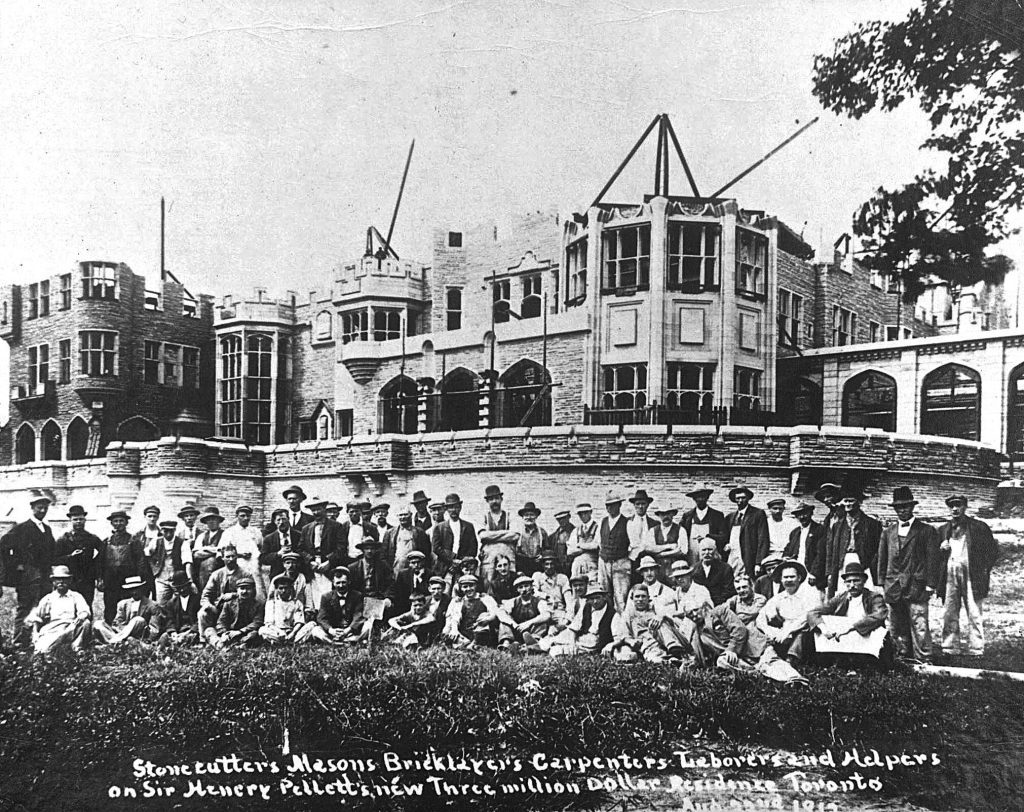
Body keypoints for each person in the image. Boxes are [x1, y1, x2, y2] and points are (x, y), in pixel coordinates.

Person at [877, 486, 939, 663]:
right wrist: (882, 582)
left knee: (919, 622)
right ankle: (902, 656)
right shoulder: (888, 532)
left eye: (905, 506)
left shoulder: (926, 531)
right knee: (897, 623)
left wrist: (930, 585)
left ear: (912, 507)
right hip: (894, 585)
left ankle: (924, 658)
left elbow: (933, 560)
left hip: (916, 585)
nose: (902, 510)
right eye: (898, 507)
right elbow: (882, 559)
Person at [937, 495, 999, 657]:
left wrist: (983, 570)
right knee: (949, 611)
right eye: (951, 506)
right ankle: (950, 647)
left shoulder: (978, 527)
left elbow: (992, 551)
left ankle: (976, 648)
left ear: (965, 507)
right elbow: (934, 556)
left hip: (972, 575)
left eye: (958, 505)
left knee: (974, 612)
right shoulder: (943, 530)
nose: (955, 509)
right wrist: (941, 549)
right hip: (950, 575)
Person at [808, 561, 889, 669]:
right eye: (848, 582)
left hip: (865, 633)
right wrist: (824, 629)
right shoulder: (841, 597)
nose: (852, 585)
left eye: (856, 581)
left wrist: (851, 628)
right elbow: (813, 613)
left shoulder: (874, 597)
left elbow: (879, 615)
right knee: (816, 629)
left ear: (864, 581)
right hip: (845, 637)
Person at [1, 491, 57, 648]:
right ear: (32, 508)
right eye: (39, 508)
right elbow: (4, 544)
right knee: (25, 608)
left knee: (42, 607)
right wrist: (17, 565)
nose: (42, 511)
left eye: (45, 508)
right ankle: (20, 641)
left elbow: (52, 552)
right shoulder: (22, 528)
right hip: (27, 576)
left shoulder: (46, 529)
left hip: (45, 575)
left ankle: (39, 639)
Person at [824, 486, 882, 598]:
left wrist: (872, 565)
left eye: (851, 501)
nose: (847, 504)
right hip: (842, 562)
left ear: (859, 502)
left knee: (866, 593)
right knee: (843, 594)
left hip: (864, 563)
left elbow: (879, 549)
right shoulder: (837, 525)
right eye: (845, 501)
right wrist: (829, 572)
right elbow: (830, 550)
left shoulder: (872, 524)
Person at [755, 561, 817, 666]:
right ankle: (768, 658)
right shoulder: (778, 598)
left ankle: (791, 660)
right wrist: (770, 631)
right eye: (785, 577)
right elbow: (761, 617)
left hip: (803, 636)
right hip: (782, 636)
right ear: (781, 579)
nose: (788, 580)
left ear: (799, 578)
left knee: (803, 632)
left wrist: (788, 631)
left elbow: (807, 617)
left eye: (792, 577)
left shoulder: (809, 595)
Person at [24, 565, 92, 655]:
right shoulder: (48, 598)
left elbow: (85, 611)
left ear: (70, 580)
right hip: (53, 630)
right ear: (53, 582)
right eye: (58, 579)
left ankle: (76, 648)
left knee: (85, 623)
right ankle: (53, 646)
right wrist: (35, 633)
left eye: (64, 579)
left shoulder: (75, 596)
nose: (61, 582)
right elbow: (36, 617)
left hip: (70, 628)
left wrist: (82, 616)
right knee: (43, 650)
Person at [652, 561, 713, 661]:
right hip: (684, 630)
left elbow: (695, 612)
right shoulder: (677, 592)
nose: (680, 579)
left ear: (689, 575)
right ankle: (675, 648)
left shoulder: (700, 590)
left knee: (689, 620)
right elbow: (660, 603)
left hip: (701, 629)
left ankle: (687, 654)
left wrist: (670, 614)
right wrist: (662, 615)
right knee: (660, 622)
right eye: (677, 577)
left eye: (683, 576)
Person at [97, 510, 148, 625]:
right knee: (110, 605)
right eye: (115, 521)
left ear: (126, 523)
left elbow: (140, 560)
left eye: (121, 521)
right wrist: (100, 578)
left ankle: (128, 629)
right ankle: (109, 629)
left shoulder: (133, 541)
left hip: (128, 580)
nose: (118, 523)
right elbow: (100, 562)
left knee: (128, 605)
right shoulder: (106, 541)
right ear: (112, 523)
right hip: (111, 580)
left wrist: (139, 578)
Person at [302, 498, 349, 608]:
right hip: (313, 566)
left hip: (330, 566)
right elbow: (300, 549)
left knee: (330, 593)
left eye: (318, 509)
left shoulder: (336, 526)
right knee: (314, 594)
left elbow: (341, 547)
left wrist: (329, 561)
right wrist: (310, 561)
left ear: (324, 509)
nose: (316, 513)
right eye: (313, 510)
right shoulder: (306, 528)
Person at [54, 505, 102, 609]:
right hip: (69, 579)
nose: (78, 522)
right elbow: (54, 559)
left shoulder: (91, 538)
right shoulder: (63, 539)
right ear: (70, 520)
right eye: (75, 519)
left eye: (81, 519)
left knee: (86, 605)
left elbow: (103, 552)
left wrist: (93, 564)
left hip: (87, 578)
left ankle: (86, 625)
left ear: (85, 520)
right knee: (69, 606)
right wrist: (71, 556)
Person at [607, 583, 667, 663]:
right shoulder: (628, 614)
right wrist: (630, 641)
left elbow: (666, 617)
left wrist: (660, 617)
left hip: (659, 640)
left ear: (648, 598)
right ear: (632, 598)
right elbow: (624, 634)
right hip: (642, 643)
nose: (640, 599)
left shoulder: (654, 610)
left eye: (643, 596)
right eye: (637, 596)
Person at [94, 575, 161, 645]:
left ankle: (114, 642)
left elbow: (154, 629)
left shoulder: (152, 605)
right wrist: (122, 629)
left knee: (138, 620)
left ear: (142, 589)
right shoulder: (123, 604)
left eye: (137, 589)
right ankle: (122, 642)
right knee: (98, 624)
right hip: (123, 633)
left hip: (141, 634)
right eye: (132, 589)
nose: (134, 592)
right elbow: (117, 623)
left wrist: (148, 640)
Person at [477, 485, 519, 589]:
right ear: (487, 501)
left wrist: (490, 536)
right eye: (491, 499)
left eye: (496, 498)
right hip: (489, 558)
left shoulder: (510, 515)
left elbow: (515, 536)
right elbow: (482, 536)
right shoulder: (483, 516)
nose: (494, 501)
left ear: (501, 499)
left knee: (511, 583)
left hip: (508, 555)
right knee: (488, 584)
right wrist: (505, 534)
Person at [442, 574, 501, 648]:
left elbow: (495, 612)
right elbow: (454, 618)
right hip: (465, 630)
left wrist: (487, 618)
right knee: (447, 633)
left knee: (484, 616)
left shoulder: (485, 598)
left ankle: (472, 644)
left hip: (482, 629)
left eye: (471, 585)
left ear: (476, 586)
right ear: (461, 588)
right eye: (465, 587)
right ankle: (468, 644)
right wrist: (454, 630)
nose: (468, 589)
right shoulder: (458, 601)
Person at [724, 486, 769, 580]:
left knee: (748, 582)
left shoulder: (757, 514)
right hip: (733, 556)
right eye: (738, 498)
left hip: (749, 557)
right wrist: (727, 545)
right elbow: (726, 536)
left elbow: (763, 539)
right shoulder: (730, 517)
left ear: (748, 498)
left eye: (743, 498)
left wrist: (758, 562)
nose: (740, 501)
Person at [199, 543, 245, 636]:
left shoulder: (245, 574)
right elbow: (206, 594)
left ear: (237, 557)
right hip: (218, 608)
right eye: (228, 557)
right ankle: (203, 639)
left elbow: (251, 593)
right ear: (222, 558)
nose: (231, 559)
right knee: (202, 613)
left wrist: (233, 595)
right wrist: (208, 605)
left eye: (233, 556)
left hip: (237, 609)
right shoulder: (216, 574)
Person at [310, 567, 364, 645]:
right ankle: (333, 642)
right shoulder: (326, 597)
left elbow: (358, 616)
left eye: (343, 582)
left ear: (349, 582)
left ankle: (351, 639)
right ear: (333, 583)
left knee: (368, 626)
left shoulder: (357, 595)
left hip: (351, 630)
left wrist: (348, 630)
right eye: (338, 583)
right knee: (315, 630)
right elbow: (321, 618)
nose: (341, 586)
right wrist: (331, 630)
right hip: (334, 631)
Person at [207, 576, 264, 649]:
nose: (244, 591)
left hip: (245, 633)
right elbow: (221, 621)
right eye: (242, 588)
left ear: (253, 590)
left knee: (254, 634)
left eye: (248, 589)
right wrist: (224, 633)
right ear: (237, 590)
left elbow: (257, 622)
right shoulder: (229, 604)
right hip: (230, 633)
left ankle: (237, 646)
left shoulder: (258, 605)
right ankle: (221, 645)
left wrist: (240, 631)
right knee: (209, 630)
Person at [259, 574, 316, 645]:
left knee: (312, 624)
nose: (283, 591)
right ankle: (284, 641)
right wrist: (280, 632)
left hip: (293, 632)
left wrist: (292, 633)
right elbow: (269, 623)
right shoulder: (271, 603)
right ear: (276, 589)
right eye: (281, 588)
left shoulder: (296, 603)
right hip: (277, 632)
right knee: (262, 630)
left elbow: (299, 622)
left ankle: (289, 641)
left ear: (291, 589)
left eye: (286, 588)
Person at [598, 491, 632, 613]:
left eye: (612, 505)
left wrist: (625, 560)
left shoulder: (627, 522)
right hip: (604, 563)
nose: (609, 508)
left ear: (619, 505)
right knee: (604, 595)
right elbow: (599, 543)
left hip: (620, 564)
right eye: (607, 505)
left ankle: (623, 626)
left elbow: (635, 545)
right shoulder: (603, 522)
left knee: (620, 598)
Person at [498, 575, 551, 651]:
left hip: (531, 631)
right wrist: (514, 624)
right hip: (517, 629)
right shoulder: (513, 601)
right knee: (504, 622)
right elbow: (501, 613)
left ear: (531, 587)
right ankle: (506, 644)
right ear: (517, 590)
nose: (524, 589)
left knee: (542, 622)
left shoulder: (539, 601)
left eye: (526, 586)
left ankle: (533, 643)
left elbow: (547, 615)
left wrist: (529, 623)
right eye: (521, 587)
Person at [220, 505, 265, 596]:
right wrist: (239, 555)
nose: (245, 518)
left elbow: (261, 547)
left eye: (248, 516)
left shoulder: (256, 531)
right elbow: (223, 551)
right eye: (242, 516)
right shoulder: (229, 532)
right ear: (237, 516)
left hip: (253, 565)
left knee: (257, 589)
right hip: (237, 564)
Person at [431, 493, 478, 578]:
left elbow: (473, 548)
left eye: (456, 507)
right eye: (451, 507)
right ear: (446, 509)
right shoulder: (439, 527)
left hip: (464, 567)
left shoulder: (468, 526)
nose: (454, 510)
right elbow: (436, 548)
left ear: (460, 508)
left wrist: (462, 562)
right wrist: (451, 562)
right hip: (444, 567)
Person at [564, 583, 617, 654]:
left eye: (598, 597)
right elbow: (574, 627)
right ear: (588, 600)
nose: (595, 601)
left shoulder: (612, 613)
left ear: (604, 597)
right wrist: (572, 644)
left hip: (596, 642)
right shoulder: (586, 607)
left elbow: (617, 637)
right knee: (560, 639)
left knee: (559, 650)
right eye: (592, 599)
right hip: (583, 638)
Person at [679, 486, 728, 563]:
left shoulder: (717, 515)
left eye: (703, 496)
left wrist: (708, 537)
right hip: (692, 555)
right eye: (697, 497)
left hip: (710, 554)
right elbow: (681, 535)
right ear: (694, 499)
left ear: (707, 497)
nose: (700, 499)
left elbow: (723, 537)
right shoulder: (687, 516)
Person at [149, 519, 192, 604]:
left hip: (178, 579)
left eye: (171, 531)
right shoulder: (156, 541)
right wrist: (154, 568)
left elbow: (187, 562)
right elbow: (148, 554)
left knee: (179, 603)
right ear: (162, 531)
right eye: (166, 531)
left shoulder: (183, 543)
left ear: (175, 530)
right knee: (161, 604)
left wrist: (190, 580)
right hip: (161, 578)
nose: (168, 534)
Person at [785, 503, 826, 594]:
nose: (802, 517)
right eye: (799, 515)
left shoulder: (819, 530)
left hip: (810, 571)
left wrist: (814, 574)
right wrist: (786, 557)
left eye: (805, 513)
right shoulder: (795, 532)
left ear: (811, 514)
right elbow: (788, 548)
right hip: (797, 571)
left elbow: (821, 554)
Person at [155, 570, 200, 648]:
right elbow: (169, 620)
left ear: (189, 585)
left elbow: (199, 620)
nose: (182, 590)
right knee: (164, 637)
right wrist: (173, 632)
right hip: (178, 631)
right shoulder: (171, 603)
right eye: (179, 588)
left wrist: (189, 632)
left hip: (192, 631)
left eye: (184, 587)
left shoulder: (198, 599)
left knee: (189, 639)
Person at [260, 508, 308, 580]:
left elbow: (306, 552)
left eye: (284, 519)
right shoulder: (269, 538)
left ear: (289, 519)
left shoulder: (299, 535)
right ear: (274, 522)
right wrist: (278, 554)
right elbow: (263, 558)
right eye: (278, 520)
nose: (281, 522)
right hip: (278, 575)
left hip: (298, 574)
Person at [383, 505, 431, 576]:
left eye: (405, 514)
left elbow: (426, 552)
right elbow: (383, 555)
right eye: (400, 515)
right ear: (397, 516)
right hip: (396, 569)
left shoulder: (419, 532)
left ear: (411, 515)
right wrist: (390, 570)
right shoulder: (390, 533)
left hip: (415, 568)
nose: (403, 517)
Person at [191, 506, 226, 593]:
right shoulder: (201, 536)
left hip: (219, 568)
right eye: (208, 519)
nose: (211, 521)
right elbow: (196, 554)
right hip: (203, 572)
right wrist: (214, 550)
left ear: (218, 520)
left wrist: (205, 549)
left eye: (214, 519)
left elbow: (222, 551)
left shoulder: (225, 534)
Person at [692, 538, 736, 606]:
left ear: (715, 551)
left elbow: (729, 591)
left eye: (710, 549)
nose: (707, 552)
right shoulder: (694, 569)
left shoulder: (725, 568)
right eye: (704, 550)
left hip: (720, 605)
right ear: (700, 552)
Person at [626, 489, 663, 567]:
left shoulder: (655, 524)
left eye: (643, 504)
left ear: (648, 505)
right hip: (632, 561)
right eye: (637, 504)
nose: (640, 506)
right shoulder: (627, 522)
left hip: (650, 560)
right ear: (634, 505)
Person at [389, 550, 431, 616]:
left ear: (423, 562)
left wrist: (420, 579)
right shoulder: (403, 574)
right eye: (413, 563)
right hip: (406, 605)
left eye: (418, 562)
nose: (416, 565)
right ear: (409, 564)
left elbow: (428, 592)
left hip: (422, 606)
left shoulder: (429, 574)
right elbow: (397, 591)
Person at [134, 505, 163, 594]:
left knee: (157, 594)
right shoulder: (139, 535)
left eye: (154, 516)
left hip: (158, 568)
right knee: (143, 593)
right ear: (145, 517)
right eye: (149, 516)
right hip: (143, 568)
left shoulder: (162, 533)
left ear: (158, 517)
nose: (152, 519)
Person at [566, 501, 599, 579]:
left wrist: (579, 545)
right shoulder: (576, 530)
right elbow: (570, 551)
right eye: (580, 514)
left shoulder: (598, 527)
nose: (583, 516)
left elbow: (596, 545)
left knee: (592, 585)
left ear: (590, 512)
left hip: (592, 564)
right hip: (577, 565)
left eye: (585, 513)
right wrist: (587, 548)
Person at [531, 552, 570, 616]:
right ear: (542, 565)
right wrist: (546, 596)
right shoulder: (538, 576)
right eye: (546, 564)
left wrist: (568, 616)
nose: (549, 567)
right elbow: (534, 592)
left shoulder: (562, 577)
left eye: (552, 564)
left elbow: (568, 598)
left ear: (555, 565)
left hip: (559, 610)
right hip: (542, 610)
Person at [516, 502, 547, 576]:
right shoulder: (518, 533)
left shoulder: (542, 532)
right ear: (523, 517)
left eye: (532, 515)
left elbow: (547, 549)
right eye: (526, 515)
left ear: (536, 516)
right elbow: (514, 552)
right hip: (522, 565)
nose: (529, 517)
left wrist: (543, 556)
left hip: (538, 565)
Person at [545, 509, 574, 574]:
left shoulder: (577, 533)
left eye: (564, 518)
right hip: (558, 567)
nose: (561, 521)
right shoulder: (552, 537)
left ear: (569, 517)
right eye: (559, 519)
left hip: (572, 566)